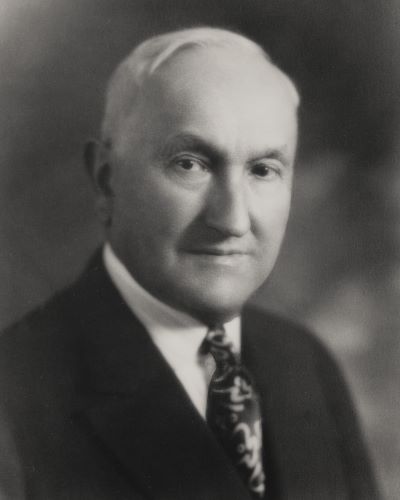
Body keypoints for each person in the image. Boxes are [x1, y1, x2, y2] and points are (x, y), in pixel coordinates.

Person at [0, 27, 379, 500]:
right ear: (106, 181)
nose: (233, 219)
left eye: (264, 170)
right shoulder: (14, 392)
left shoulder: (305, 364)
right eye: (190, 164)